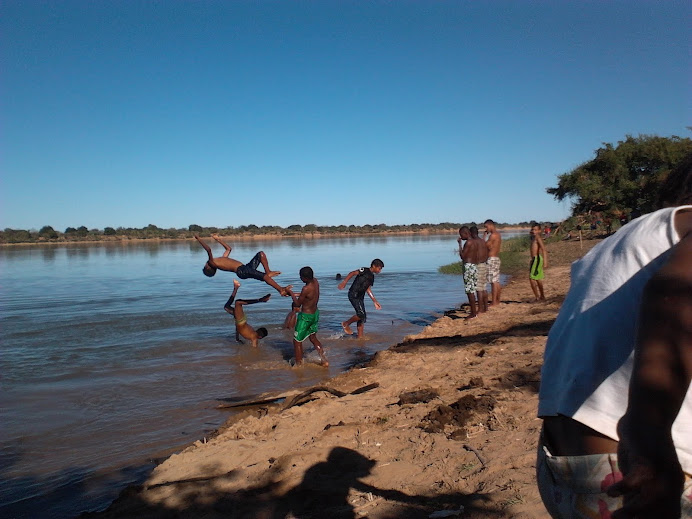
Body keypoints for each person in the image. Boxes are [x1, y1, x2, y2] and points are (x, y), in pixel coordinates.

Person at [536, 155, 692, 518]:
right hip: (636, 466)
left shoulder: (630, 235)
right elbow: (676, 293)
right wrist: (647, 439)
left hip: (561, 467)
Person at [194, 234, 291, 296]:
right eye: (205, 266)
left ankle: (268, 271)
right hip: (242, 271)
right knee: (265, 277)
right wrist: (199, 239)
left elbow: (228, 249)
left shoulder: (221, 260)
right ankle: (280, 289)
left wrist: (218, 240)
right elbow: (208, 249)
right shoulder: (213, 262)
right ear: (209, 267)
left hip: (245, 267)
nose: (205, 264)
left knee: (261, 254)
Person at [287, 266, 328, 366]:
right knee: (313, 338)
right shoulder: (315, 282)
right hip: (315, 314)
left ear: (304, 278)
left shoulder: (305, 288)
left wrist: (291, 293)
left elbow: (297, 304)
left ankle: (299, 365)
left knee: (297, 341)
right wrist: (295, 294)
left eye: (301, 277)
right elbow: (308, 295)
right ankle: (324, 360)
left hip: (305, 317)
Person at [338, 259, 384, 338]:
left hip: (360, 297)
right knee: (361, 314)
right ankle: (346, 323)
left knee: (363, 317)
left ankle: (360, 337)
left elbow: (368, 289)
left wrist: (374, 301)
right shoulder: (364, 270)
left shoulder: (372, 277)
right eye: (379, 268)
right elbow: (352, 273)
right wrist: (344, 282)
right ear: (374, 266)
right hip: (353, 294)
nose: (380, 271)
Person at [223, 280, 270, 348]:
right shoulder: (254, 337)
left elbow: (238, 328)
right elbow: (254, 349)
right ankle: (260, 300)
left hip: (239, 321)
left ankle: (236, 287)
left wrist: (237, 338)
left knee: (226, 307)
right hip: (241, 320)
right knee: (238, 302)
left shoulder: (253, 335)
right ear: (260, 337)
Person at [457, 226, 485, 319]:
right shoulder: (475, 242)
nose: (461, 237)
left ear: (466, 233)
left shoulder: (468, 243)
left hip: (468, 266)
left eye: (461, 235)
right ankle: (476, 310)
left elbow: (463, 256)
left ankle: (473, 313)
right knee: (474, 288)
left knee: (470, 290)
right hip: (474, 266)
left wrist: (460, 245)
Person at [483, 219, 502, 306]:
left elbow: (485, 246)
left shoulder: (493, 235)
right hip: (495, 258)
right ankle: (497, 300)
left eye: (486, 227)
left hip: (492, 259)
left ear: (490, 225)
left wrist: (484, 237)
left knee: (493, 281)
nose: (486, 229)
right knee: (496, 281)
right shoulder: (498, 234)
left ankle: (494, 301)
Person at [529, 222, 547, 301]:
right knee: (538, 278)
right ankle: (542, 296)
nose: (534, 231)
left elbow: (543, 249)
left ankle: (537, 297)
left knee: (532, 278)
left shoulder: (538, 238)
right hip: (534, 259)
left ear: (539, 231)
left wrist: (545, 261)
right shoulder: (533, 237)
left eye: (536, 230)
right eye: (533, 229)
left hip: (537, 259)